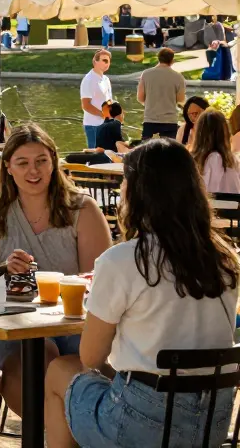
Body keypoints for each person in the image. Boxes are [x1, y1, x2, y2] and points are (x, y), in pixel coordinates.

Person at [44, 139, 239, 448]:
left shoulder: (124, 259)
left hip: (144, 425)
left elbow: (90, 357)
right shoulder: (225, 258)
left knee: (60, 370)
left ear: (138, 193)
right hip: (211, 424)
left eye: (125, 182)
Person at [0, 123, 111, 419]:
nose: (33, 171)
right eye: (23, 163)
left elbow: (99, 282)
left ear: (54, 162)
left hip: (73, 325)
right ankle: (50, 434)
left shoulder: (82, 209)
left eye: (41, 161)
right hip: (11, 323)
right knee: (38, 352)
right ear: (7, 167)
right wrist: (5, 269)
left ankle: (66, 433)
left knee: (89, 361)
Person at [137, 48, 186, 139]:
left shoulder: (146, 74)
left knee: (148, 151)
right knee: (168, 151)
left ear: (158, 58)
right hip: (170, 121)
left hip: (150, 119)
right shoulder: (178, 77)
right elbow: (181, 99)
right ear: (172, 60)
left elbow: (140, 98)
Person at [191, 108, 240, 194]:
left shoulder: (190, 161)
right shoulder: (233, 160)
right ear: (225, 133)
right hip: (232, 205)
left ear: (199, 134)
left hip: (202, 206)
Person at [80, 49, 113, 149]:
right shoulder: (88, 80)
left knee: (107, 153)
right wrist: (103, 115)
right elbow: (86, 105)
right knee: (95, 155)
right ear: (95, 61)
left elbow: (109, 100)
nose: (107, 63)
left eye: (108, 61)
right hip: (93, 125)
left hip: (106, 124)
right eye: (104, 60)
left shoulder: (106, 79)